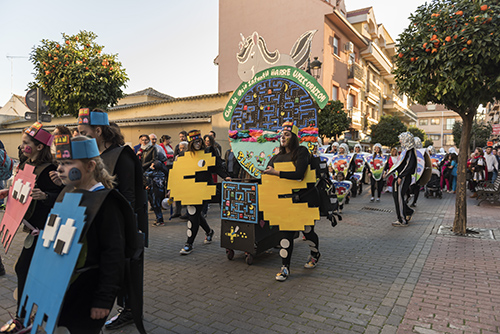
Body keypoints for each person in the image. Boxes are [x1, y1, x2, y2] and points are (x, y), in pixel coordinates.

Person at [75, 109, 147, 331]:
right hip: (101, 223)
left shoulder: (122, 155)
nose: (79, 135)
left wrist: (125, 229)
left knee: (127, 272)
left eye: (83, 132)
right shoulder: (95, 156)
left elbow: (128, 197)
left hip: (123, 225)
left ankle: (129, 311)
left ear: (98, 131)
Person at [53, 135, 128, 334]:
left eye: (68, 163)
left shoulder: (105, 202)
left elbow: (113, 254)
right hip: (67, 290)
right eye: (59, 163)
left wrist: (104, 299)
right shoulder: (68, 194)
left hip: (89, 293)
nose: (60, 168)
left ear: (90, 166)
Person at [0, 122, 62, 333]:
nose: (23, 146)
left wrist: (46, 196)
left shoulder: (51, 171)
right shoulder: (27, 166)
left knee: (24, 268)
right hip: (33, 230)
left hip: (46, 232)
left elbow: (64, 198)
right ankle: (34, 313)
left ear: (39, 147)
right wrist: (8, 194)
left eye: (27, 143)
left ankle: (23, 318)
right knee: (30, 271)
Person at [263, 122, 320, 281]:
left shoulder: (301, 152)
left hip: (304, 200)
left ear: (293, 137)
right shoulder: (276, 156)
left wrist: (277, 172)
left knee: (307, 232)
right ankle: (285, 267)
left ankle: (315, 254)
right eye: (281, 135)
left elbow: (299, 174)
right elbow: (269, 177)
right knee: (286, 234)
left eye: (287, 135)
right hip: (285, 202)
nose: (283, 137)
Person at [177, 130, 230, 255]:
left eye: (198, 141)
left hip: (204, 187)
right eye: (194, 142)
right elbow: (179, 173)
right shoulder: (185, 155)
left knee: (194, 214)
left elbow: (216, 166)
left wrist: (225, 176)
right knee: (194, 214)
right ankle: (208, 232)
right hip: (190, 188)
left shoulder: (208, 152)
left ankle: (189, 243)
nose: (197, 144)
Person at [389, 132, 417, 227]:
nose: (400, 141)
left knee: (399, 197)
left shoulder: (410, 151)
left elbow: (409, 166)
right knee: (396, 196)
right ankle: (408, 211)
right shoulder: (405, 151)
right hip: (400, 176)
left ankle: (402, 219)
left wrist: (401, 176)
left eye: (401, 139)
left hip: (403, 177)